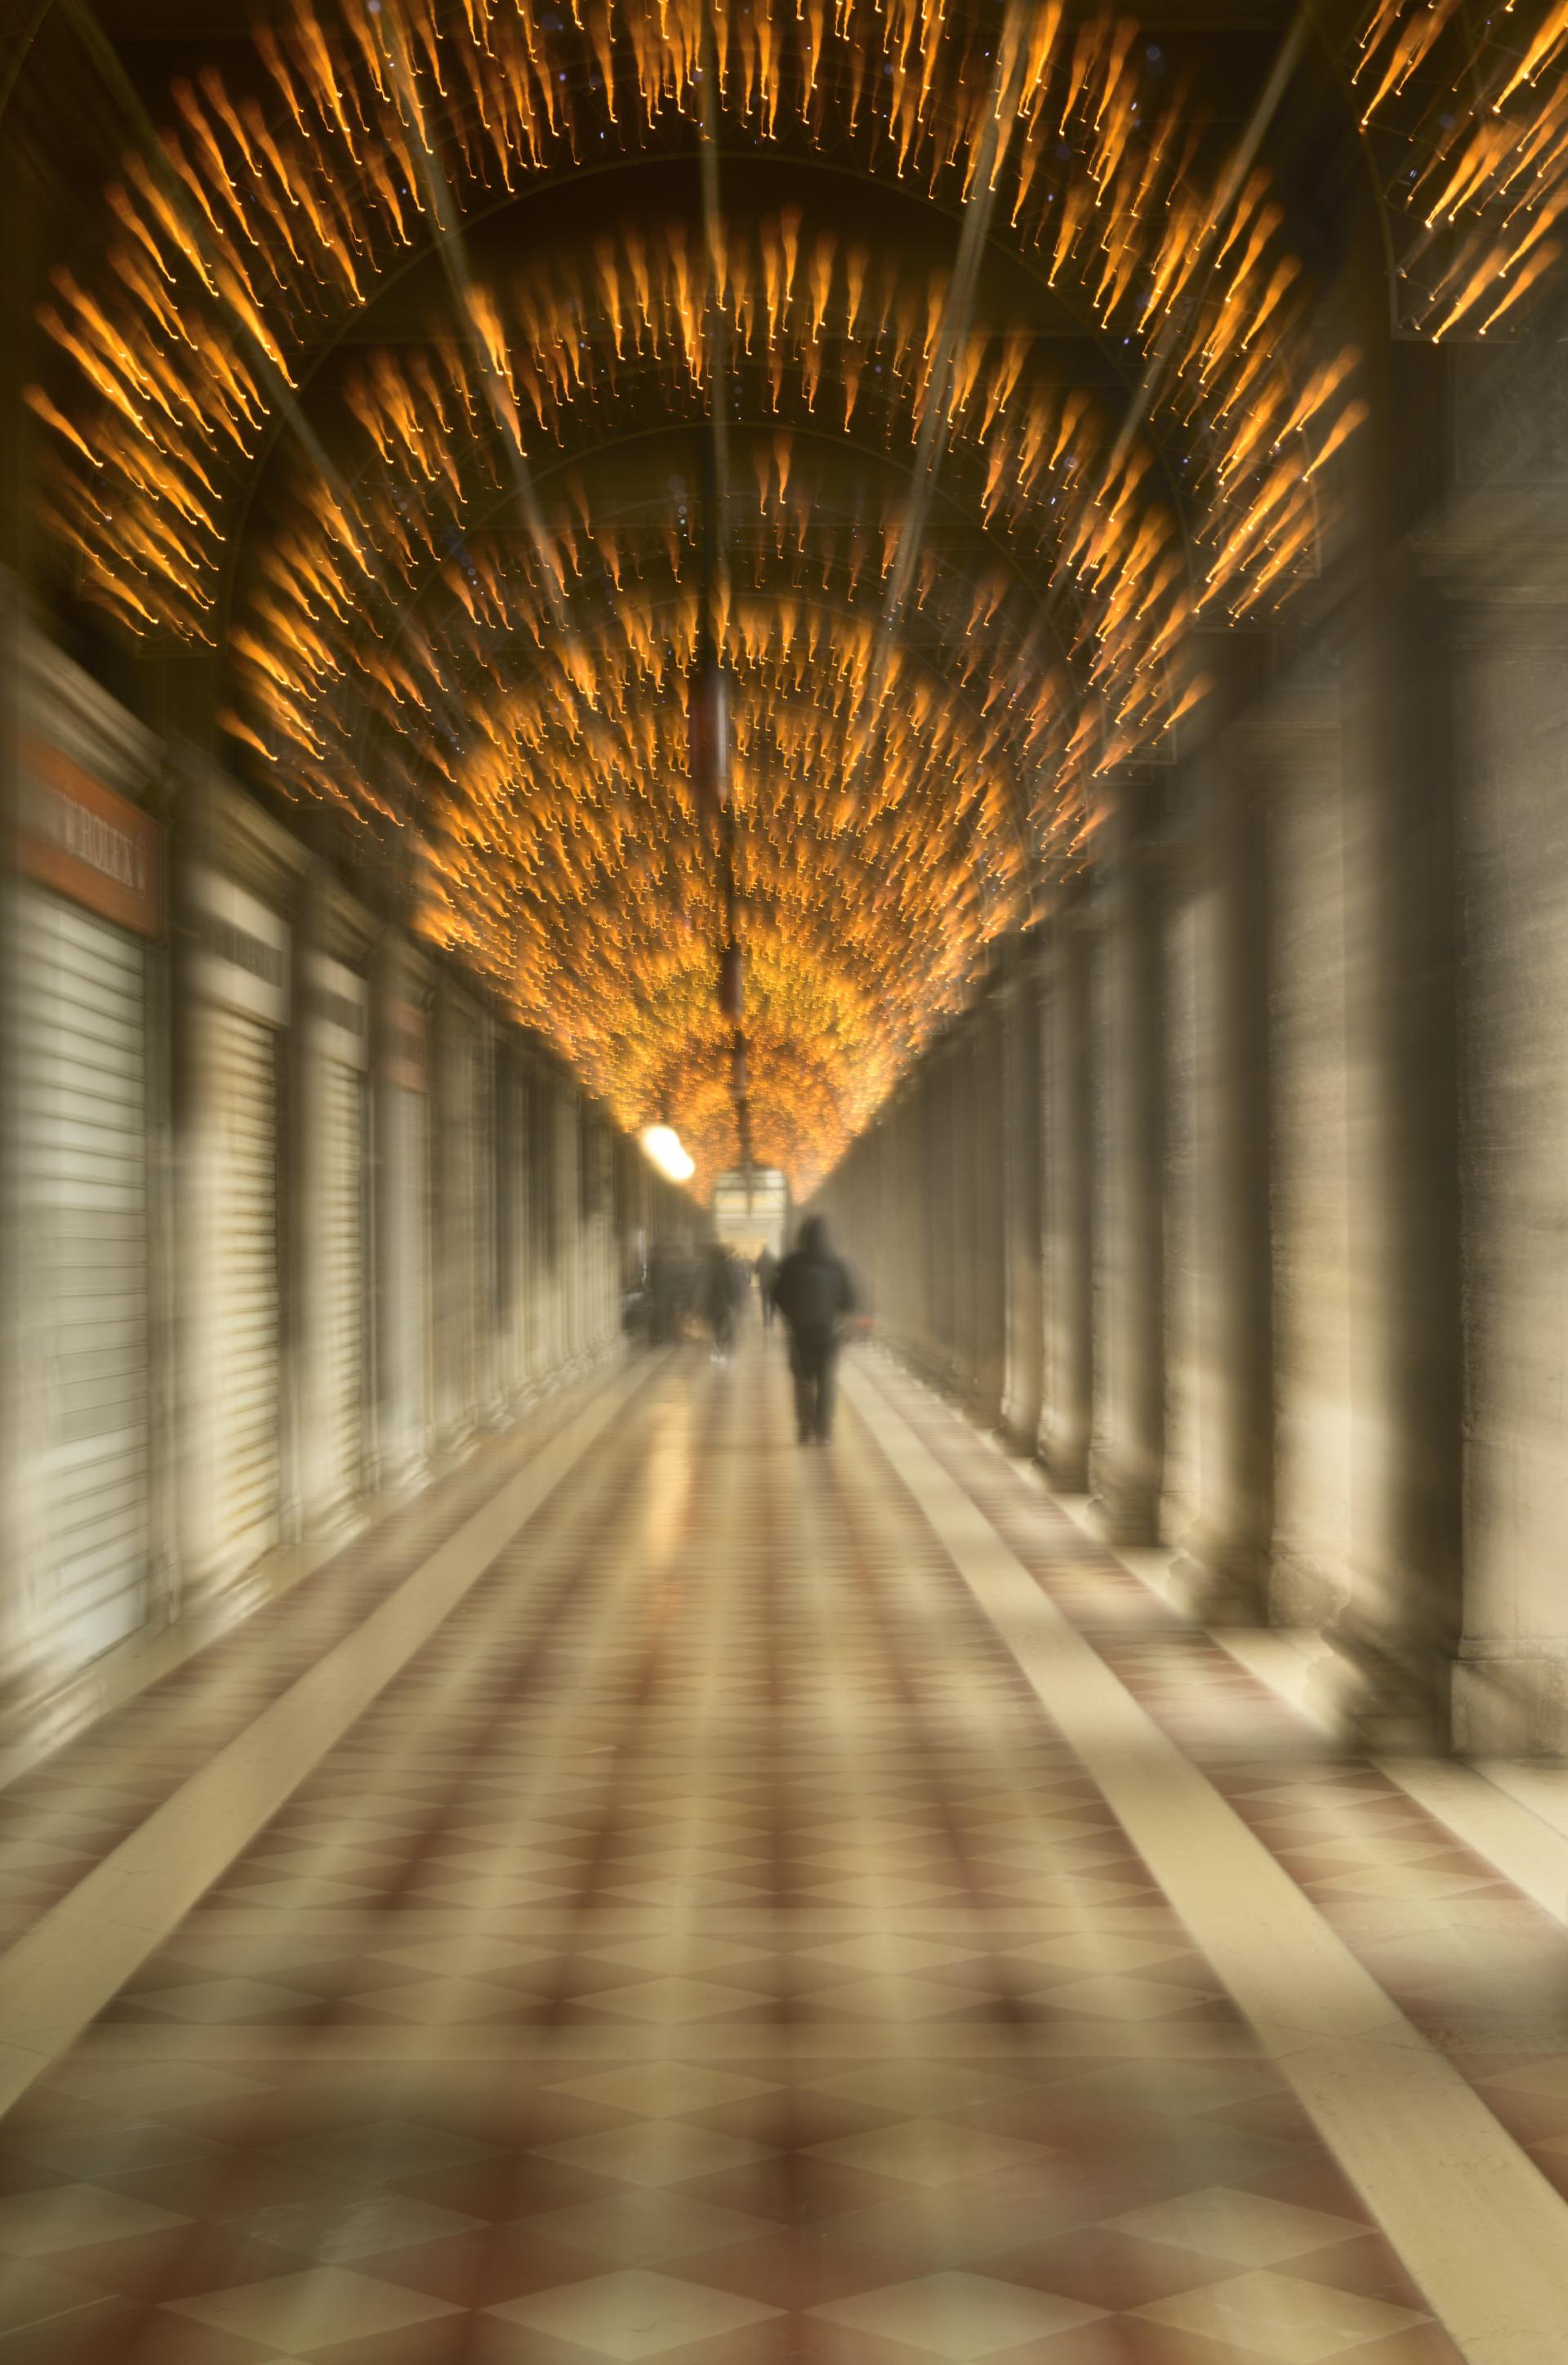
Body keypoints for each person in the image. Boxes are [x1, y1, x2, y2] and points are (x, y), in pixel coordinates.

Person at [771, 1215, 856, 1443]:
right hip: (828, 1332)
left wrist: (791, 1316)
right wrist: (836, 1313)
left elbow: (777, 1295)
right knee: (826, 1380)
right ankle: (824, 1430)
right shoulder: (837, 1263)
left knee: (802, 1381)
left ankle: (805, 1427)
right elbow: (851, 1298)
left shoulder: (790, 1263)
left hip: (799, 1332)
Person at [701, 1242, 742, 1361]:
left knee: (716, 1327)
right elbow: (730, 1286)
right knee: (724, 1326)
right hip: (721, 1303)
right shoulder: (724, 1268)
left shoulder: (708, 1268)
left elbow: (703, 1287)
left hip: (711, 1303)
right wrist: (733, 1302)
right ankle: (720, 1346)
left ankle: (717, 1346)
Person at [754, 1244, 778, 1328]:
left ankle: (765, 1320)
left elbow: (755, 1271)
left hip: (763, 1283)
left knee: (764, 1302)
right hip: (772, 1283)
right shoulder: (773, 1258)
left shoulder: (760, 1259)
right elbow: (778, 1270)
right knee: (772, 1302)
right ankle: (771, 1319)